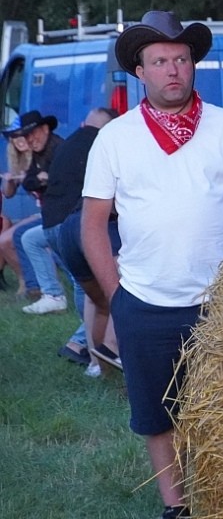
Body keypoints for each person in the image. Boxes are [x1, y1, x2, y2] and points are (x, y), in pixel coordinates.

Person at [81, 10, 223, 519]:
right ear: (139, 71)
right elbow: (93, 225)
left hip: (222, 299)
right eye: (160, 60)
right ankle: (177, 511)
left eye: (181, 59)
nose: (172, 70)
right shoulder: (116, 138)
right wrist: (118, 297)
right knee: (156, 413)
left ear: (193, 65)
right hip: (143, 298)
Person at [42, 107, 120, 366]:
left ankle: (95, 364)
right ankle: (104, 350)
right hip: (88, 227)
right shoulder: (108, 144)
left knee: (95, 299)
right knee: (121, 293)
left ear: (85, 122)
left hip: (58, 229)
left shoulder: (68, 142)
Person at [8, 110, 68, 312]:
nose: (29, 140)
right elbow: (28, 182)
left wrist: (46, 179)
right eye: (26, 136)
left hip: (68, 217)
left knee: (51, 244)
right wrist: (41, 179)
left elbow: (64, 185)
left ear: (45, 129)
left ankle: (57, 293)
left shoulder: (60, 149)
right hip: (53, 216)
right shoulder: (38, 155)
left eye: (32, 133)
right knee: (27, 238)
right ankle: (50, 293)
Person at [0, 127, 36, 294]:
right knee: (5, 231)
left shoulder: (40, 157)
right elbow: (8, 194)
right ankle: (27, 281)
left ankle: (31, 283)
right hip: (42, 212)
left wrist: (31, 180)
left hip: (50, 212)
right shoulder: (19, 160)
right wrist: (9, 180)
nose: (18, 140)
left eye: (21, 136)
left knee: (7, 237)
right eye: (14, 138)